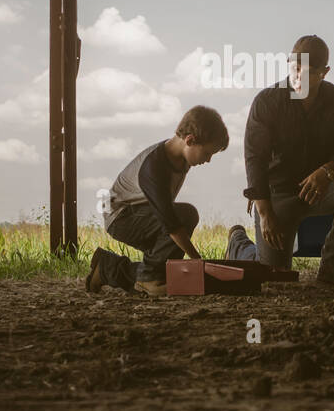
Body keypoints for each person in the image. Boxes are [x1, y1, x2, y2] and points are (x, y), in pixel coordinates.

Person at [227, 35, 334, 286]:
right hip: (279, 197)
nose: (299, 78)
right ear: (288, 63)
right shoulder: (267, 102)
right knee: (273, 276)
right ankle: (238, 243)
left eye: (308, 72)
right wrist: (265, 212)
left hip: (323, 189)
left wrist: (328, 171)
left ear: (324, 72)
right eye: (295, 68)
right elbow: (255, 159)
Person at [85, 106, 228, 299]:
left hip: (142, 215)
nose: (208, 160)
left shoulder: (182, 158)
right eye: (207, 153)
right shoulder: (154, 167)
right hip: (122, 218)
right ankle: (149, 278)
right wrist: (198, 261)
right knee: (186, 215)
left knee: (162, 265)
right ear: (190, 140)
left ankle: (108, 268)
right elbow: (171, 223)